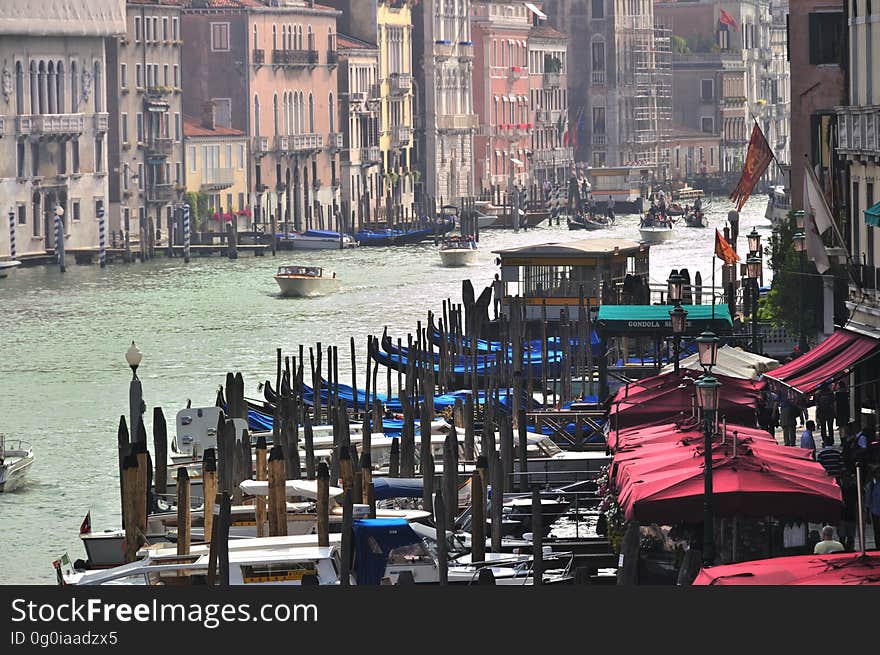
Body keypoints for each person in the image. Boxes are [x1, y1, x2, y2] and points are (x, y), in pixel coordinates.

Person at [815, 381, 836, 446]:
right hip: (830, 412)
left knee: (823, 428)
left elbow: (816, 404)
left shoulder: (818, 393)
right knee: (830, 428)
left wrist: (817, 414)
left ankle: (825, 440)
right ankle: (831, 440)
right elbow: (834, 402)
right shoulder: (831, 393)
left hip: (822, 413)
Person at [865, 467, 880, 547]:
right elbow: (868, 501)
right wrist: (867, 515)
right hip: (875, 512)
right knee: (877, 532)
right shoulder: (871, 485)